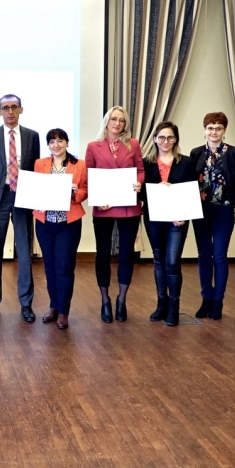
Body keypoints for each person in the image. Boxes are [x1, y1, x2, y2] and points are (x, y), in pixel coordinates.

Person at [0, 94, 40, 323]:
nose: (10, 111)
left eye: (14, 107)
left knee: (24, 253)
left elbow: (35, 168)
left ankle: (26, 304)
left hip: (23, 197)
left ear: (21, 110)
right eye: (5, 108)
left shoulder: (32, 136)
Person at [84, 106, 144, 323]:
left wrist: (139, 183)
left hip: (129, 206)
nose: (117, 123)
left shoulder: (133, 144)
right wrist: (97, 197)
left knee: (126, 254)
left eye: (122, 120)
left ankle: (121, 300)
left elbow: (140, 170)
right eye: (114, 119)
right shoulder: (93, 146)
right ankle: (105, 300)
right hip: (104, 207)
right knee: (103, 254)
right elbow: (89, 175)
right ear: (106, 122)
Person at [188, 112, 235, 320]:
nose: (214, 132)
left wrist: (231, 201)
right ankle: (206, 299)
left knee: (219, 255)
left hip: (224, 210)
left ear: (224, 130)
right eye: (210, 128)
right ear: (204, 130)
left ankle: (218, 301)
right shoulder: (196, 153)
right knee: (204, 255)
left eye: (218, 128)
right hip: (200, 211)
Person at [141, 121, 198, 327]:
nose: (166, 141)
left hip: (177, 219)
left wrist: (184, 214)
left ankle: (174, 307)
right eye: (162, 137)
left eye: (170, 137)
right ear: (155, 139)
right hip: (154, 218)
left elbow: (193, 190)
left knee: (172, 262)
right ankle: (161, 304)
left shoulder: (186, 162)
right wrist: (156, 188)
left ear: (176, 139)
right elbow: (140, 192)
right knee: (158, 260)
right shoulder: (145, 163)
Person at [32, 129, 88, 330]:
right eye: (52, 141)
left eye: (60, 141)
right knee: (49, 266)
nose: (56, 145)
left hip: (68, 223)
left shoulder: (79, 164)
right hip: (45, 222)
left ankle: (64, 311)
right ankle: (53, 306)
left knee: (64, 266)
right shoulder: (40, 163)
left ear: (67, 143)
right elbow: (35, 189)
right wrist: (37, 201)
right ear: (48, 145)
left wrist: (76, 193)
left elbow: (85, 190)